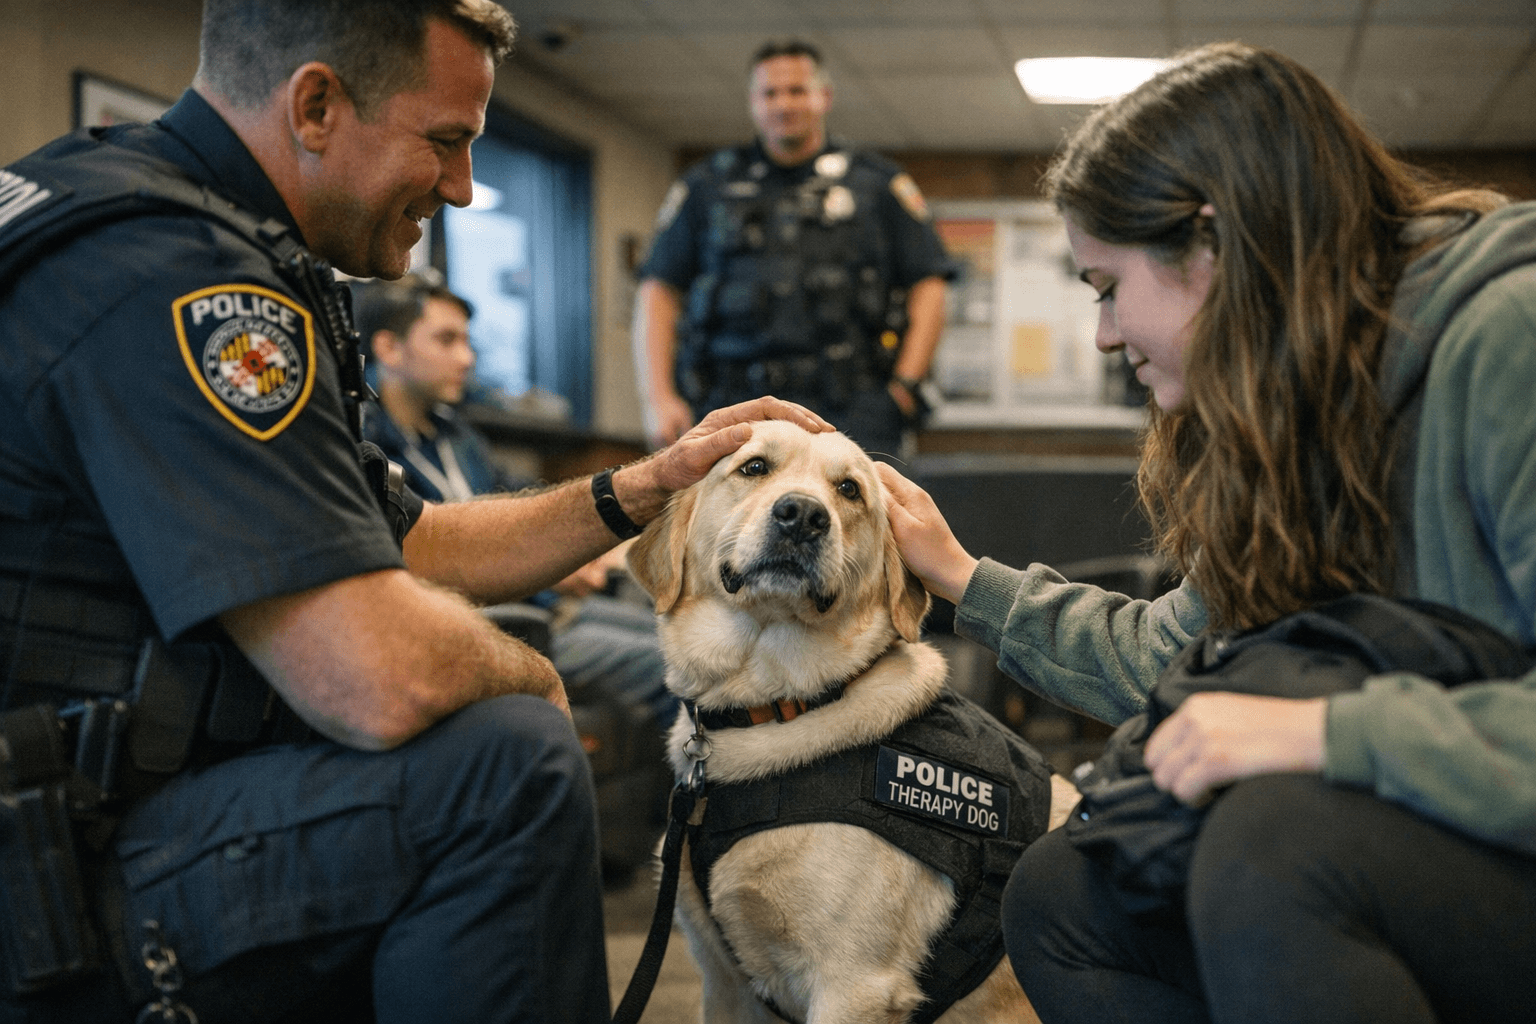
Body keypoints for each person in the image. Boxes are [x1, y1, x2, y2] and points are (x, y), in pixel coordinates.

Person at [0, 3, 830, 1022]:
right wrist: (530, 673)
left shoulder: (141, 210)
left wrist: (644, 487)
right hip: (52, 880)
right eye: (445, 141)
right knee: (504, 762)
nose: (463, 187)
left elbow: (415, 541)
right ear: (316, 105)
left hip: (92, 815)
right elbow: (375, 674)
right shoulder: (178, 280)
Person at [877, 41, 1536, 1024]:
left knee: (1274, 842)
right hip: (1431, 827)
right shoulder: (1303, 408)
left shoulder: (1509, 333)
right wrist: (961, 576)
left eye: (1107, 286)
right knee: (1064, 895)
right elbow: (1178, 657)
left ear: (1212, 244)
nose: (1104, 334)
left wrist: (1325, 733)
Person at [353, 274, 680, 730]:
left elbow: (529, 495)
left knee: (678, 629)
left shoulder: (458, 436)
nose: (466, 358)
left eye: (467, 341)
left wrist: (574, 542)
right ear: (389, 348)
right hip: (487, 626)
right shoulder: (366, 452)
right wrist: (543, 566)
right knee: (680, 666)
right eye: (446, 340)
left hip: (539, 605)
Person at [634, 38, 953, 458]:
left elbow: (929, 282)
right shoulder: (706, 186)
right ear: (753, 102)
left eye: (797, 91)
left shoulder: (876, 185)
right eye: (770, 93)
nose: (783, 104)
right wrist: (658, 398)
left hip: (852, 408)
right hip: (729, 405)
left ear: (825, 97)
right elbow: (658, 289)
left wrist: (905, 386)